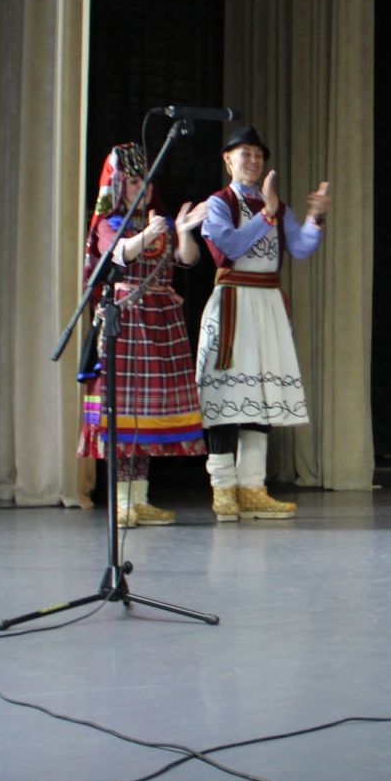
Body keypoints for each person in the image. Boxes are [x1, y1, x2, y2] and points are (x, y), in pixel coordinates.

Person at [196, 126, 330, 523]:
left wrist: (313, 217)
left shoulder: (276, 205)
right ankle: (223, 489)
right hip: (235, 301)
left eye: (258, 155)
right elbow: (230, 248)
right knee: (226, 399)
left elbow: (302, 247)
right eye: (245, 154)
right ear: (228, 159)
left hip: (267, 304)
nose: (253, 162)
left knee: (261, 395)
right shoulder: (219, 203)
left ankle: (252, 487)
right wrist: (267, 216)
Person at [76, 143, 208, 527]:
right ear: (119, 186)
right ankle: (121, 502)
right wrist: (149, 234)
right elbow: (118, 254)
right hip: (128, 321)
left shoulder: (158, 221)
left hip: (160, 322)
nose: (143, 188)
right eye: (134, 181)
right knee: (124, 413)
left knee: (148, 415)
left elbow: (188, 259)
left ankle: (140, 499)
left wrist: (182, 232)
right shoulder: (109, 223)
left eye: (147, 181)